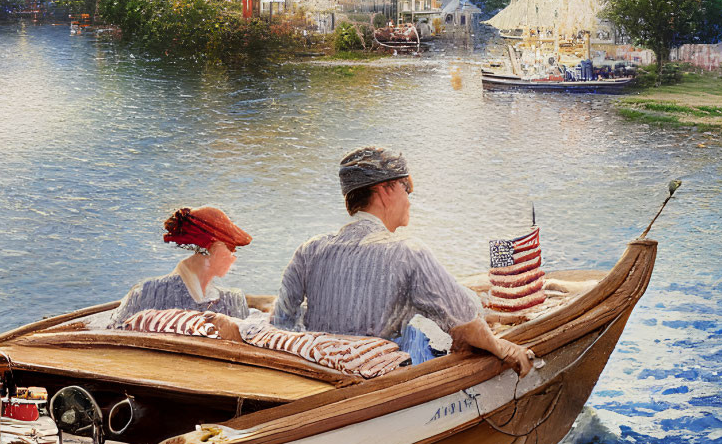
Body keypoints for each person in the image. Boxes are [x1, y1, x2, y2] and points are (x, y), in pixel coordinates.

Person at [271, 146, 533, 375]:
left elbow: (280, 324)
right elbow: (464, 323)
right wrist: (504, 348)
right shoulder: (407, 252)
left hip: (317, 378)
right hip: (381, 386)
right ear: (385, 190)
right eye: (405, 188)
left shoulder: (309, 250)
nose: (409, 200)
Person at [110, 206, 252, 339]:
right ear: (208, 249)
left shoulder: (233, 300)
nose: (233, 257)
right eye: (230, 249)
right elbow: (117, 340)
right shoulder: (148, 293)